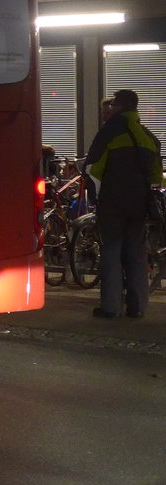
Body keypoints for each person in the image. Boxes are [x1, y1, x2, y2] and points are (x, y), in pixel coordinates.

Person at [84, 89, 163, 319]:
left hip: (113, 203)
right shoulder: (148, 137)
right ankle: (137, 307)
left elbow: (92, 169)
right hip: (139, 206)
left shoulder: (109, 132)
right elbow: (157, 177)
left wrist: (94, 197)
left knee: (111, 251)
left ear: (119, 106)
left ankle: (110, 307)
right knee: (136, 254)